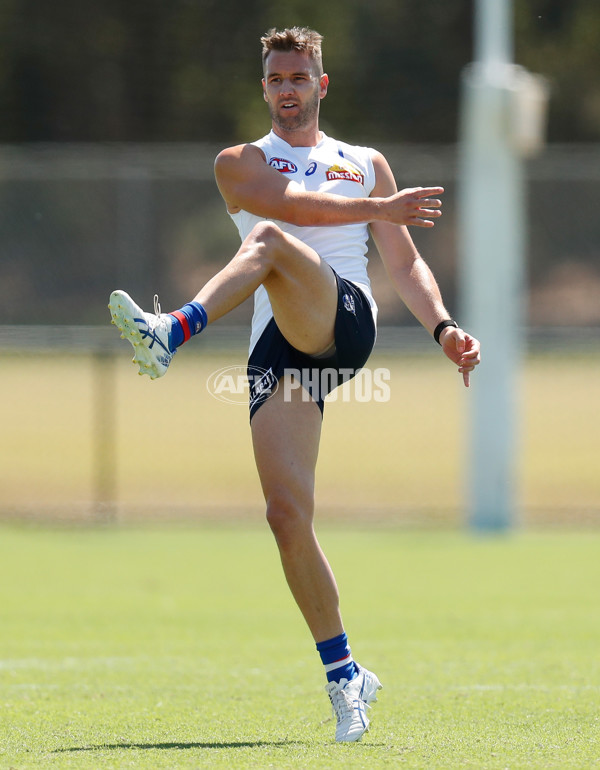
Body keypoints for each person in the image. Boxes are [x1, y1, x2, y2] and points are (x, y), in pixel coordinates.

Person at [108, 26, 481, 742]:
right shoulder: (239, 163)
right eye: (276, 79)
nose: (287, 89)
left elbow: (403, 265)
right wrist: (378, 210)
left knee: (274, 241)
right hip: (278, 348)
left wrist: (443, 329)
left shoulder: (363, 163)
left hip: (345, 322)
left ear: (321, 83)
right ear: (264, 89)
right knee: (286, 517)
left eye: (299, 77)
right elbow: (297, 205)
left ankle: (173, 331)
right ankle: (346, 674)